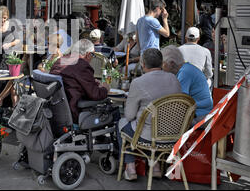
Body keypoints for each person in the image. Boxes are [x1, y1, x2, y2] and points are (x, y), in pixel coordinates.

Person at [117, 48, 181, 181]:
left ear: (143, 64)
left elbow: (129, 116)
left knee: (123, 123)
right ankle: (155, 166)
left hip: (149, 137)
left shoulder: (138, 82)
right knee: (148, 125)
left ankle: (130, 167)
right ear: (161, 63)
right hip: (173, 134)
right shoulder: (173, 78)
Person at [50, 39, 110, 122]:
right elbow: (95, 95)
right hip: (73, 112)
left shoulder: (60, 61)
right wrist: (105, 89)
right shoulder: (82, 65)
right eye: (93, 55)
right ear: (88, 54)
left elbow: (73, 80)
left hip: (55, 110)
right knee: (112, 111)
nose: (92, 58)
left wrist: (93, 81)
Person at [161, 45, 213, 124]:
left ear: (172, 63)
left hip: (200, 115)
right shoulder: (186, 69)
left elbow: (180, 101)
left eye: (163, 64)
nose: (162, 67)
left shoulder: (185, 73)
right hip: (198, 112)